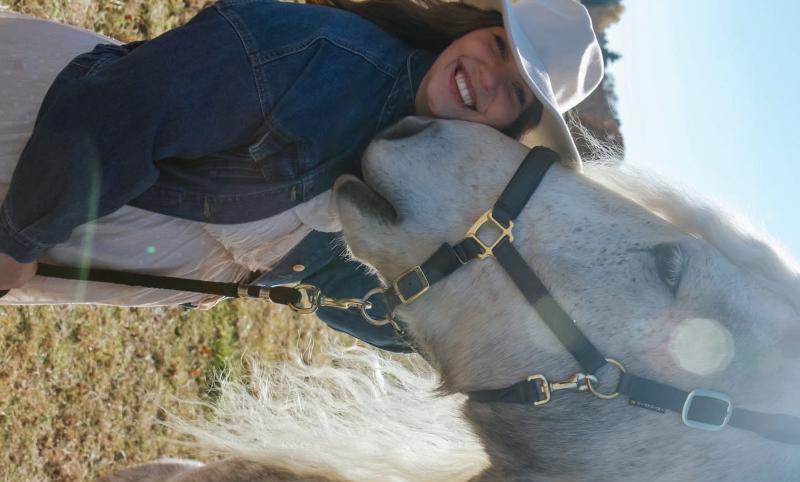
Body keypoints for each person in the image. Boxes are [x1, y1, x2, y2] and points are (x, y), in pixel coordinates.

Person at [0, 0, 603, 351]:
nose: (489, 76)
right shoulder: (318, 55)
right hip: (25, 149)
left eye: (516, 92)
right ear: (470, 26)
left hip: (58, 238)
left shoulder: (418, 190)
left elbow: (388, 312)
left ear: (510, 128)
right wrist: (19, 238)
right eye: (498, 46)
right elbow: (123, 111)